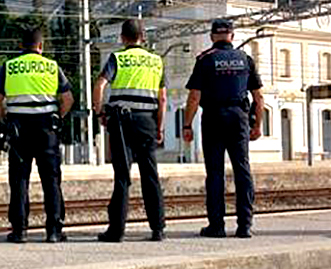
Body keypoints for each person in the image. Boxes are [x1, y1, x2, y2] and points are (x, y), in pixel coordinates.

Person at [0, 27, 74, 243]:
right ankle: (54, 231)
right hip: (47, 129)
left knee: (19, 179)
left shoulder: (9, 67)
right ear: (41, 46)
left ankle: (19, 231)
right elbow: (68, 100)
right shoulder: (52, 67)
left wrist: (4, 120)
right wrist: (57, 117)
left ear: (21, 45)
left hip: (18, 129)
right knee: (51, 180)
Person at [182, 18, 264, 239]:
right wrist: (257, 124)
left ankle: (216, 226)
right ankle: (245, 225)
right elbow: (258, 97)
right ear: (232, 36)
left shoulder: (205, 59)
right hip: (239, 118)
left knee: (215, 173)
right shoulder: (245, 59)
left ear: (211, 37)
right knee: (243, 171)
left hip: (214, 118)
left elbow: (194, 96)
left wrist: (187, 125)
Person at [93, 19, 166, 243]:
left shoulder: (118, 58)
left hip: (122, 122)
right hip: (147, 122)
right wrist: (159, 128)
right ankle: (158, 229)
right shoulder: (156, 61)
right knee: (150, 175)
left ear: (123, 38)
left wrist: (99, 113)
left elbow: (100, 85)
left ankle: (116, 231)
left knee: (122, 176)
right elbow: (162, 98)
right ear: (142, 37)